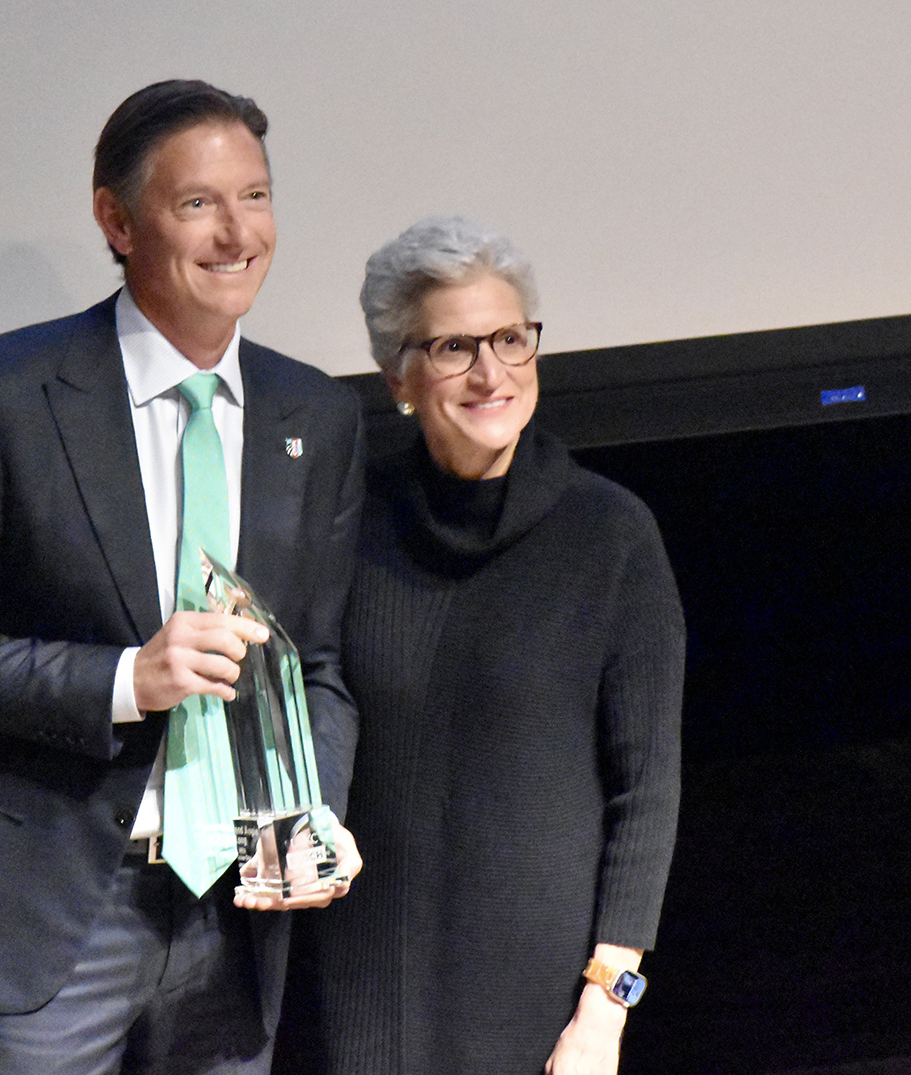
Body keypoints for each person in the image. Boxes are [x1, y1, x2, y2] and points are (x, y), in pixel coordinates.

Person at [0, 80, 364, 1075]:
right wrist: (124, 680)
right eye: (197, 203)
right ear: (115, 218)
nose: (238, 233)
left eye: (257, 196)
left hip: (234, 914)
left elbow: (314, 662)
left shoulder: (310, 415)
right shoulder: (4, 396)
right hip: (52, 914)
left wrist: (307, 808)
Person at [276, 216, 684, 1075]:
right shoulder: (347, 521)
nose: (492, 371)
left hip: (543, 1000)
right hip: (364, 973)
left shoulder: (610, 534)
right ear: (399, 376)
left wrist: (604, 1013)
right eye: (456, 346)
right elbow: (310, 705)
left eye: (510, 338)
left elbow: (646, 792)